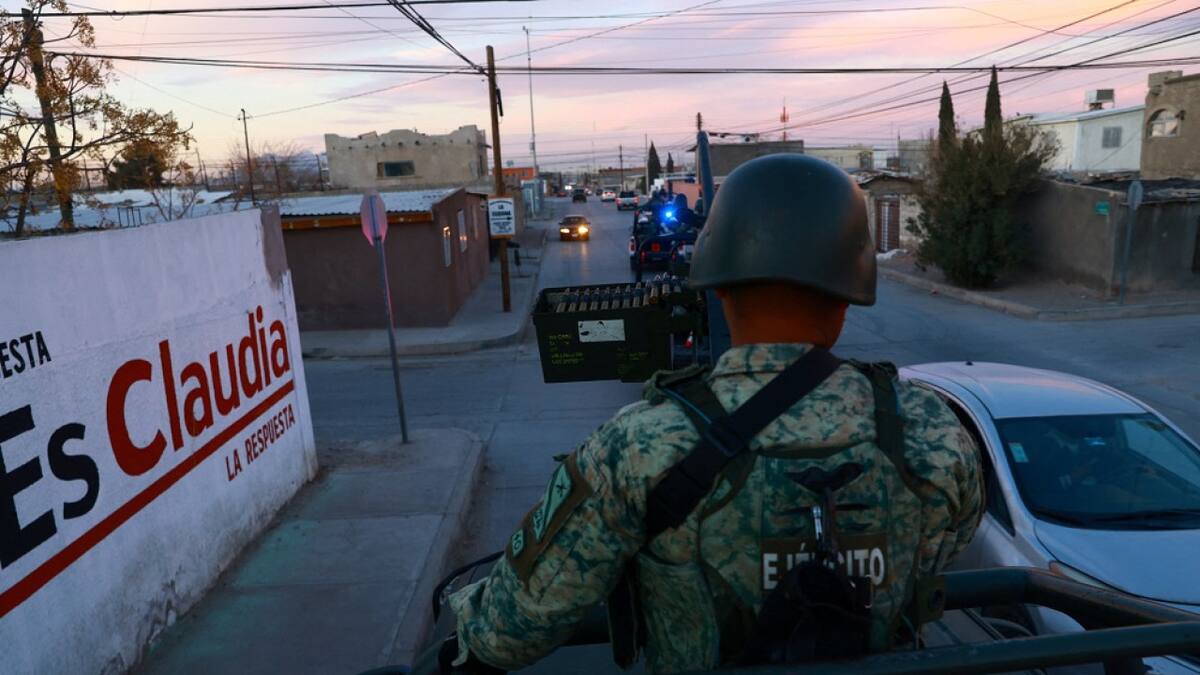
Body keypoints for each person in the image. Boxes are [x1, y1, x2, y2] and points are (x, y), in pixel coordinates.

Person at [441, 154, 984, 674]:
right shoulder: (928, 428)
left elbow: (508, 629)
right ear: (850, 294)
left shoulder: (639, 447)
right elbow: (947, 546)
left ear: (717, 283)